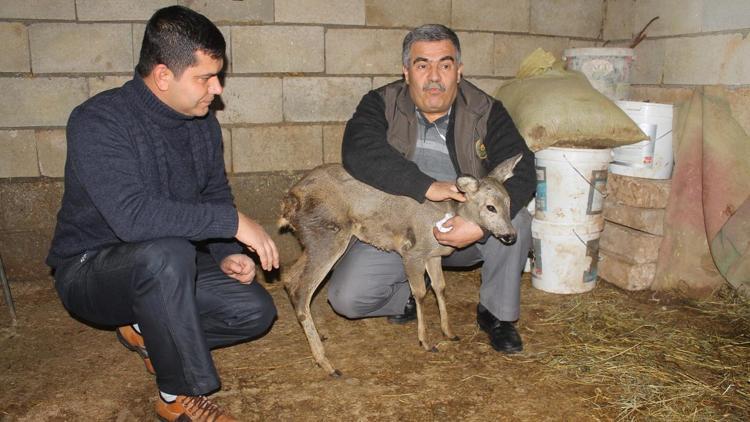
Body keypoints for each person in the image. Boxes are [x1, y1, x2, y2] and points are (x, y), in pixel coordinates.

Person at [46, 6, 278, 421]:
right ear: (163, 75)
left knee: (253, 312)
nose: (217, 89)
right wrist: (234, 224)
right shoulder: (99, 121)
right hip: (91, 269)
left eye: (218, 75)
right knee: (166, 251)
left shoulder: (200, 121)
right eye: (205, 77)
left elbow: (212, 193)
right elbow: (132, 219)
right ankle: (177, 396)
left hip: (166, 266)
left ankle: (147, 333)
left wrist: (226, 250)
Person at [327, 24, 536, 354]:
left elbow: (522, 167)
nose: (434, 76)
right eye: (422, 65)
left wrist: (478, 226)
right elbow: (357, 151)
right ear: (407, 71)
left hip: (466, 229)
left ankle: (497, 314)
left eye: (445, 65)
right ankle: (411, 292)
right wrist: (425, 186)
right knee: (346, 299)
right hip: (402, 232)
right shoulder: (380, 103)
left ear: (460, 71)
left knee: (517, 217)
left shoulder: (486, 110)